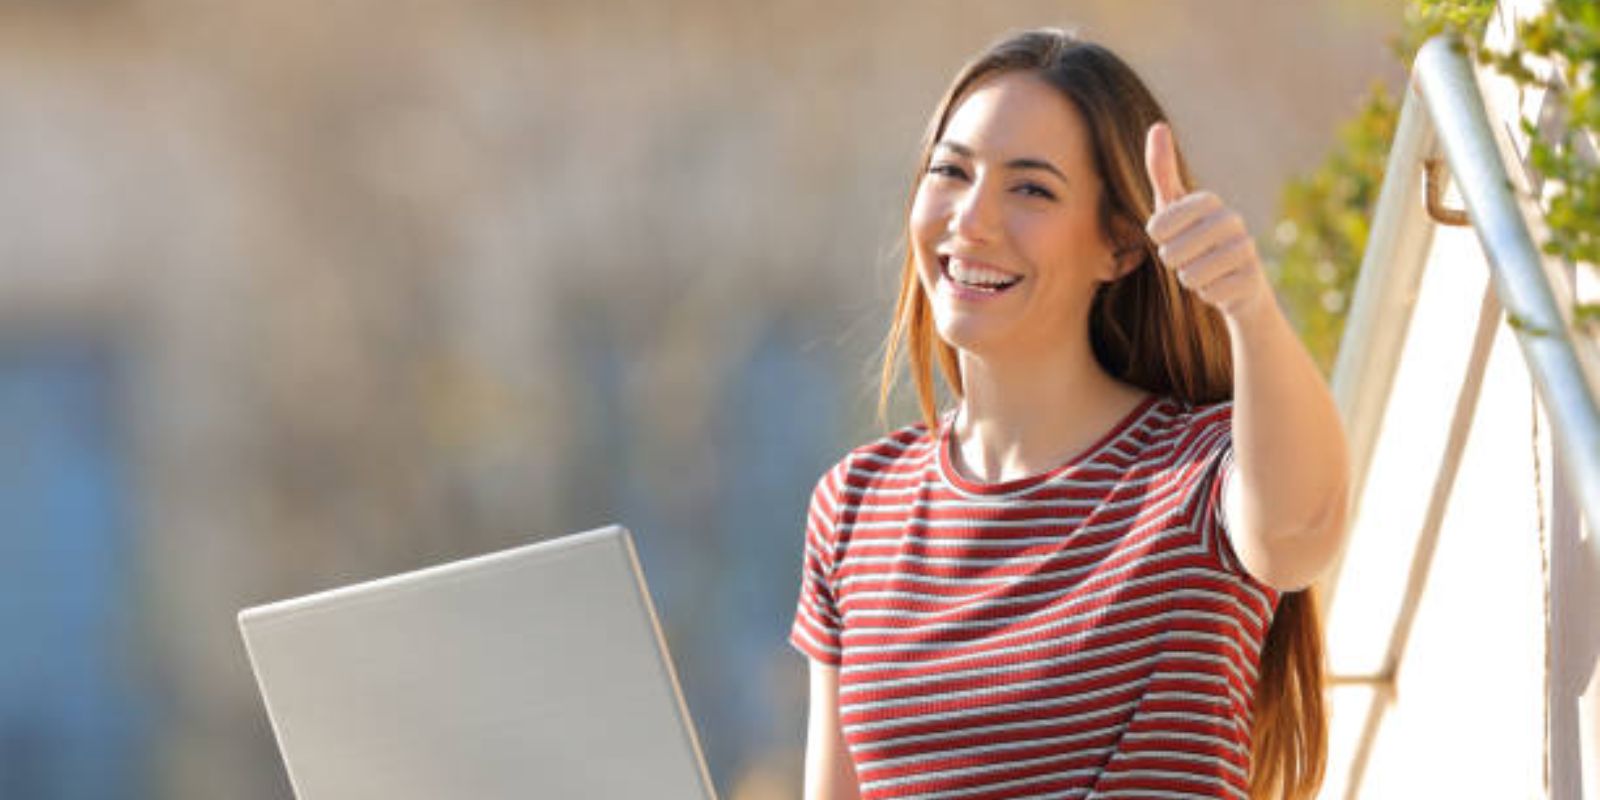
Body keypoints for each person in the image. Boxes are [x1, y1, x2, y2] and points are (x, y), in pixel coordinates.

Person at [788, 28, 1351, 800]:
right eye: (951, 172)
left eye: (1031, 189)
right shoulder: (853, 506)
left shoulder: (1196, 475)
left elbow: (1297, 535)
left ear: (1121, 245)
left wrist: (1248, 306)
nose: (971, 220)